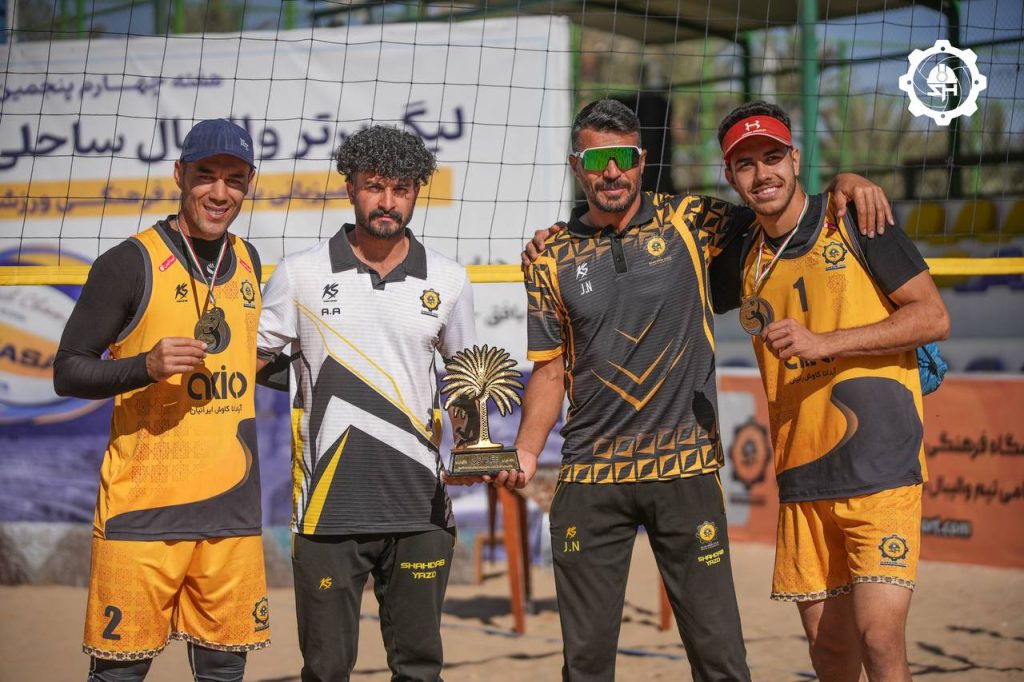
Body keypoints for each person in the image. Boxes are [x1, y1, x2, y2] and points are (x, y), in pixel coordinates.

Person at [506, 98, 894, 681]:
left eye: (623, 158)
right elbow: (549, 369)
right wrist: (527, 450)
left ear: (642, 161)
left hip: (685, 470)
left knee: (719, 659)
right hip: (590, 476)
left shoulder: (692, 219)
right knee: (584, 664)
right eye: (596, 159)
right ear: (576, 166)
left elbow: (782, 205)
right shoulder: (549, 257)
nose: (611, 171)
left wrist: (845, 181)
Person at [711, 101, 949, 681]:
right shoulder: (741, 251)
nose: (762, 173)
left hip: (880, 464)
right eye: (746, 164)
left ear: (795, 159)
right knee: (829, 652)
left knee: (880, 638)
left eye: (773, 156)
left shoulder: (856, 218)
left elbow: (933, 317)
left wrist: (825, 343)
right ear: (730, 176)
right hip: (802, 470)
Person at [256, 126, 478, 682]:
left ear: (416, 192)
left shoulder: (449, 279)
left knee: (420, 669)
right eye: (375, 186)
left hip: (420, 509)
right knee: (326, 669)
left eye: (401, 189)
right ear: (350, 188)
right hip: (328, 512)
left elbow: (465, 378)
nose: (387, 201)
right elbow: (252, 360)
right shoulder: (300, 273)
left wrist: (474, 448)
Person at [53, 119, 268, 681]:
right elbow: (67, 372)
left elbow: (247, 362)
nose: (219, 192)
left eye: (234, 179)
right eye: (205, 175)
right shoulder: (128, 262)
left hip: (230, 513)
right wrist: (144, 367)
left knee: (224, 672)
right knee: (119, 674)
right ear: (179, 174)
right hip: (141, 513)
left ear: (249, 184)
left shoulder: (248, 259)